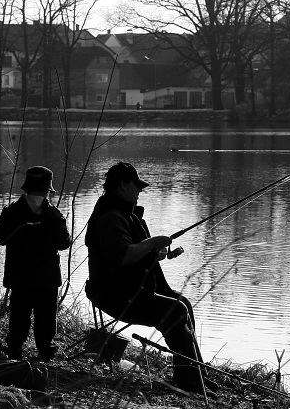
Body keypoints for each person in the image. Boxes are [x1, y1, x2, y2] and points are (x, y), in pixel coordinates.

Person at [85, 162, 212, 395]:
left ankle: (197, 375)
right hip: (116, 295)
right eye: (137, 186)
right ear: (123, 185)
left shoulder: (124, 213)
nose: (140, 191)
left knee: (183, 304)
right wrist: (152, 243)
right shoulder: (111, 217)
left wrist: (156, 253)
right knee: (175, 311)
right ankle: (189, 383)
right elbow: (121, 256)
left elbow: (134, 253)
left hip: (131, 290)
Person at [0, 166, 71, 361]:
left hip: (20, 278)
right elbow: (64, 243)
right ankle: (44, 352)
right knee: (46, 318)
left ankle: (15, 351)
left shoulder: (11, 211)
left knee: (19, 316)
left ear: (25, 188)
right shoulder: (54, 215)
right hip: (47, 280)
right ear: (47, 190)